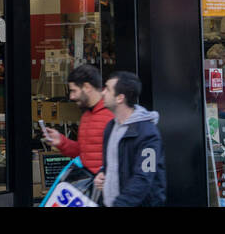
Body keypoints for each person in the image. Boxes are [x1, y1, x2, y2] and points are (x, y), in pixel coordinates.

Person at [94, 70, 166, 207]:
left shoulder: (149, 135)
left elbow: (144, 177)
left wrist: (120, 204)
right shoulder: (110, 127)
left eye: (108, 89)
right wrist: (102, 173)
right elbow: (113, 164)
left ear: (120, 98)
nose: (103, 93)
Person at [42, 64, 111, 174]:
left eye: (74, 91)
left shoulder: (111, 114)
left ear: (87, 87)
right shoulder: (87, 116)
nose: (71, 97)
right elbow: (84, 152)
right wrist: (61, 141)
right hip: (92, 186)